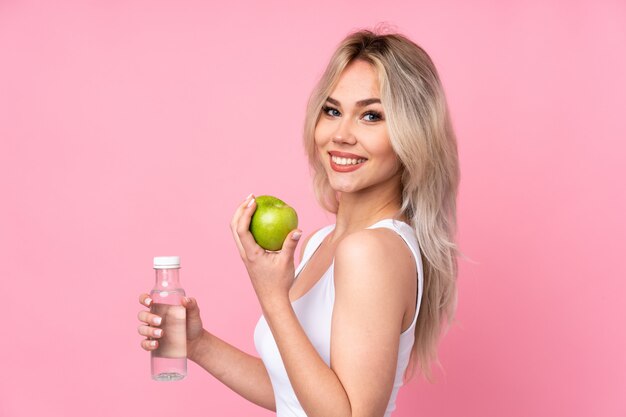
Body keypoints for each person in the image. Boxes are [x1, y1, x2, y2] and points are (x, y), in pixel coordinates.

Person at [137, 28, 460, 417]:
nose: (341, 135)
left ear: (413, 134)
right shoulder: (323, 242)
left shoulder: (370, 251)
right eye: (332, 110)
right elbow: (295, 395)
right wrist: (199, 343)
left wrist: (272, 295)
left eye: (371, 115)